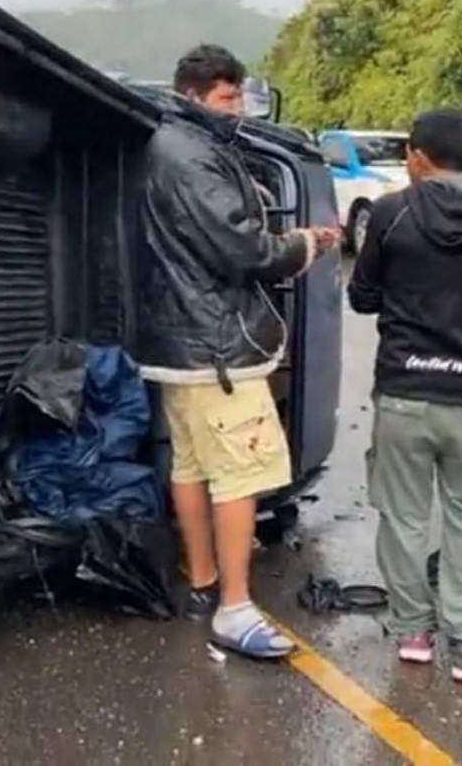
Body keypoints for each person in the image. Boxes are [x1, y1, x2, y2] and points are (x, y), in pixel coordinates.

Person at [133, 44, 341, 658]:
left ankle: (201, 580)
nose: (236, 109)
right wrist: (304, 242)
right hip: (217, 348)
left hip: (181, 345)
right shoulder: (190, 154)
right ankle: (235, 607)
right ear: (195, 95)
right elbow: (242, 249)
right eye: (226, 98)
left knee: (193, 467)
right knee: (239, 475)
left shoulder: (169, 144)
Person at [349, 110, 462, 683]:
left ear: (420, 157)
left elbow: (362, 297)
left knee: (402, 519)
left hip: (404, 393)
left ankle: (412, 633)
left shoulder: (389, 213)